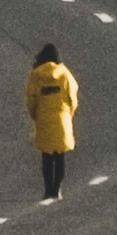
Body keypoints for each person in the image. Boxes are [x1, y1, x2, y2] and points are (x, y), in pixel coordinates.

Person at [26, 40, 77, 204]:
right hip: (62, 118)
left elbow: (31, 98)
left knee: (47, 157)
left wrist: (35, 115)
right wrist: (69, 114)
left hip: (43, 118)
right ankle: (57, 189)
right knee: (59, 156)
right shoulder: (64, 73)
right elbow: (72, 97)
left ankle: (48, 190)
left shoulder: (36, 75)